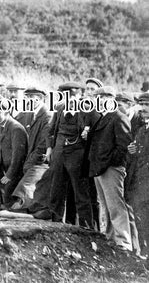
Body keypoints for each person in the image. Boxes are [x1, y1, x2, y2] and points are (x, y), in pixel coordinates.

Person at [89, 86, 139, 252]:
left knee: (116, 205)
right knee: (106, 205)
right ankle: (111, 238)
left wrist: (108, 163)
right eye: (98, 98)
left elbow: (123, 147)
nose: (100, 101)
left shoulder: (118, 117)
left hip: (112, 169)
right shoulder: (103, 117)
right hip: (101, 168)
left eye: (104, 98)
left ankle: (123, 242)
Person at [45, 82, 94, 228]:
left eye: (74, 96)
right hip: (59, 152)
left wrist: (87, 132)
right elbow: (50, 130)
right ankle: (55, 224)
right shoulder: (59, 108)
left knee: (80, 193)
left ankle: (86, 227)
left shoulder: (87, 111)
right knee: (56, 190)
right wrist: (49, 148)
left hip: (77, 155)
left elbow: (94, 133)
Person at [10, 87, 52, 211]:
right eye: (27, 97)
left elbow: (45, 144)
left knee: (24, 193)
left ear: (40, 99)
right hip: (31, 161)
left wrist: (30, 161)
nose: (28, 101)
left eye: (32, 98)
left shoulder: (47, 116)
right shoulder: (29, 114)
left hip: (40, 162)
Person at [0, 99, 28, 209]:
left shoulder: (16, 128)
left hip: (15, 173)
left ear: (7, 112)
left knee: (9, 200)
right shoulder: (1, 125)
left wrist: (9, 175)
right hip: (5, 170)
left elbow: (19, 155)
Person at [126, 92, 149, 255]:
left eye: (147, 105)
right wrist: (133, 150)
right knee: (142, 223)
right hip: (139, 185)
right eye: (141, 105)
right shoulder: (141, 130)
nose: (143, 108)